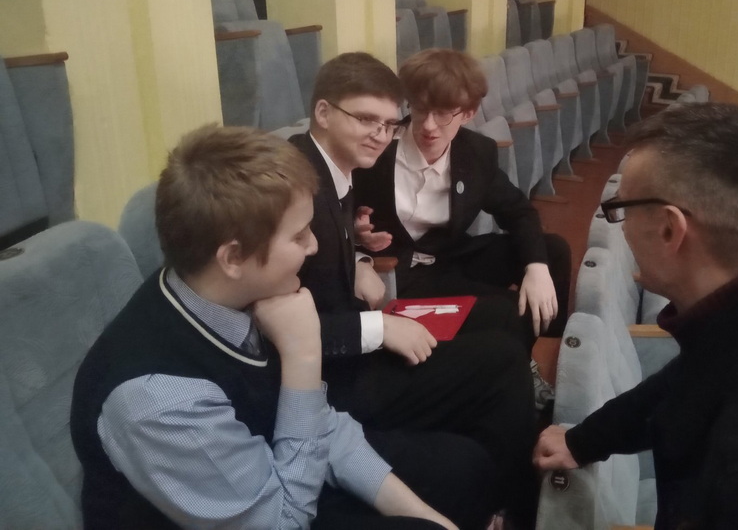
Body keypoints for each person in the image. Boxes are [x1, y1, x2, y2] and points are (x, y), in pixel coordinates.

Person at [70, 125, 495, 530]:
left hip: (276, 473)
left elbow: (320, 425)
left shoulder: (228, 292)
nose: (314, 245)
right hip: (267, 512)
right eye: (299, 236)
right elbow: (281, 521)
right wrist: (303, 355)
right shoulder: (158, 400)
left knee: (464, 469)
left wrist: (429, 518)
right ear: (233, 258)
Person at [533, 103, 738, 529]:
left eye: (622, 209)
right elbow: (688, 377)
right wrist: (585, 440)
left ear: (670, 230)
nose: (622, 226)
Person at [288, 52, 538, 527]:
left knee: (502, 348)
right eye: (366, 119)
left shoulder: (330, 168)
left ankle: (504, 497)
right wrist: (379, 327)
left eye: (387, 123)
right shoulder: (297, 184)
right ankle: (510, 508)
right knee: (500, 366)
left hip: (349, 345)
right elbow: (278, 327)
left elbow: (325, 256)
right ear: (323, 112)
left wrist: (359, 257)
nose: (381, 134)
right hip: (330, 381)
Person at [352, 48, 572, 341]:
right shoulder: (377, 150)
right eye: (420, 108)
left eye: (443, 113)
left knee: (552, 251)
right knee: (510, 311)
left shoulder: (476, 153)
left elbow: (518, 211)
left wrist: (537, 269)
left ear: (467, 113)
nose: (429, 125)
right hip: (401, 271)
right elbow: (333, 211)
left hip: (450, 256)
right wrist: (356, 236)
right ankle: (517, 356)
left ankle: (548, 345)